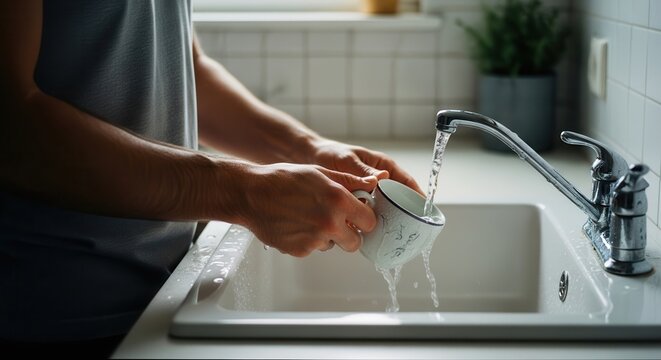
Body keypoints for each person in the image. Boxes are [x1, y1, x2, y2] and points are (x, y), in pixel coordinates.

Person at [0, 0, 421, 357]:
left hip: (165, 292)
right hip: (53, 315)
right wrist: (239, 191)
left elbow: (186, 64)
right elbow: (12, 126)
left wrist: (307, 148)